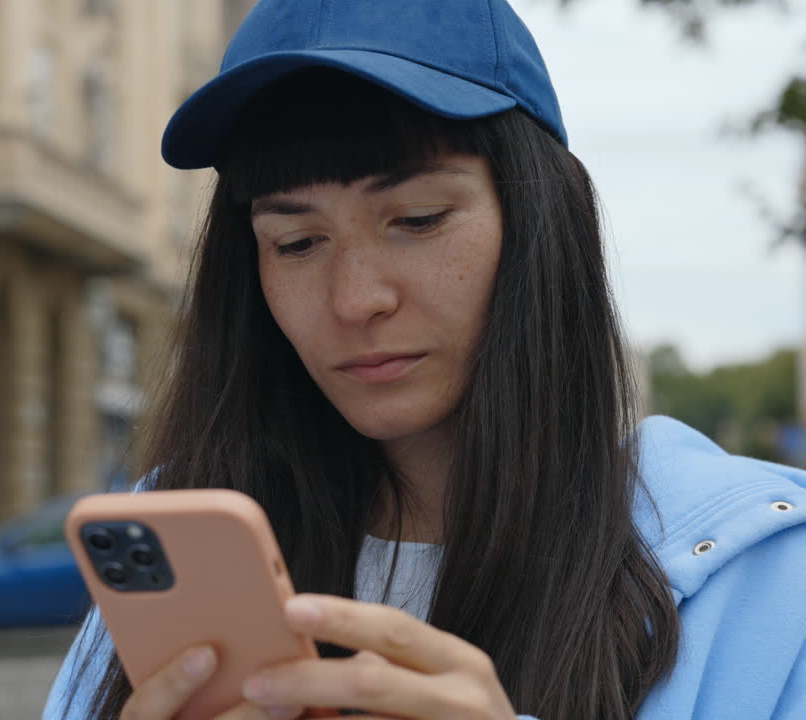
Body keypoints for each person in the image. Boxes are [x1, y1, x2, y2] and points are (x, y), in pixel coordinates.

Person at [43, 0, 806, 718]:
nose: (354, 299)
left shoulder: (763, 580)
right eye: (297, 242)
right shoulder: (175, 552)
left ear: (540, 221)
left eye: (416, 220)